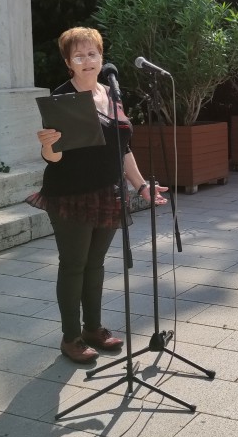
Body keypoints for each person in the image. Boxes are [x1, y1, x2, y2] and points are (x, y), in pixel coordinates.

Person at [28, 27, 168, 364]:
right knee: (73, 265)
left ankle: (92, 328)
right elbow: (53, 157)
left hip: (108, 192)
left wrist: (141, 185)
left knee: (96, 264)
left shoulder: (112, 92)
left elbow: (123, 148)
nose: (87, 60)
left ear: (101, 57)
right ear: (68, 63)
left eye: (92, 53)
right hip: (70, 194)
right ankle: (71, 337)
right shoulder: (62, 98)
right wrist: (47, 146)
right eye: (79, 56)